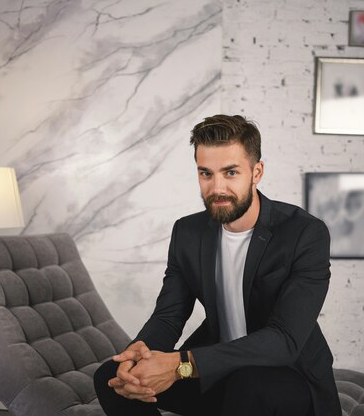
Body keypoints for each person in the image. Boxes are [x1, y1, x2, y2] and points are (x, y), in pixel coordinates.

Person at [93, 114, 341, 416]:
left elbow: (284, 340)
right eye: (206, 174)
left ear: (257, 172)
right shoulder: (187, 232)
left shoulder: (304, 233)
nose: (217, 188)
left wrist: (180, 364)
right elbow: (170, 315)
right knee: (111, 377)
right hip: (214, 374)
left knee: (248, 384)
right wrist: (137, 353)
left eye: (231, 172)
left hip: (288, 378)